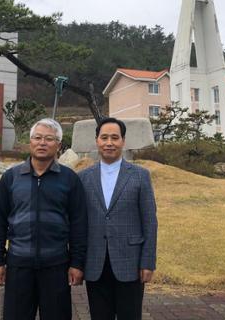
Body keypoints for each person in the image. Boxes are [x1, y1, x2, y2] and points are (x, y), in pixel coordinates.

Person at [0, 118, 87, 320]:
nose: (42, 143)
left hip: (56, 266)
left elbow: (79, 224)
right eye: (37, 137)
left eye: (49, 139)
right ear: (30, 142)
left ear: (58, 145)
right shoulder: (11, 177)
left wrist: (77, 263)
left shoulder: (69, 179)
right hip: (18, 265)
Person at [79, 117, 158, 320]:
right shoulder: (83, 177)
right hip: (95, 262)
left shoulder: (140, 175)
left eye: (115, 137)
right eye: (104, 137)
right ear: (96, 140)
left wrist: (148, 261)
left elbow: (149, 220)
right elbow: (78, 224)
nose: (109, 143)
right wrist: (77, 263)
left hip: (130, 262)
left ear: (123, 141)